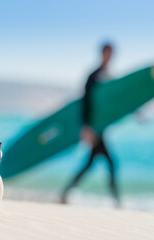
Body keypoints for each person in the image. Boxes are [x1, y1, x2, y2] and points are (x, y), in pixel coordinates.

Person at [61, 43, 120, 206]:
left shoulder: (109, 76)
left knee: (90, 165)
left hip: (100, 129)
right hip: (93, 129)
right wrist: (86, 127)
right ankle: (117, 201)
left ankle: (65, 194)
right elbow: (85, 102)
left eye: (111, 53)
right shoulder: (94, 76)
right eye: (107, 53)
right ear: (102, 53)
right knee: (109, 164)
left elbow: (117, 102)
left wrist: (137, 112)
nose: (109, 56)